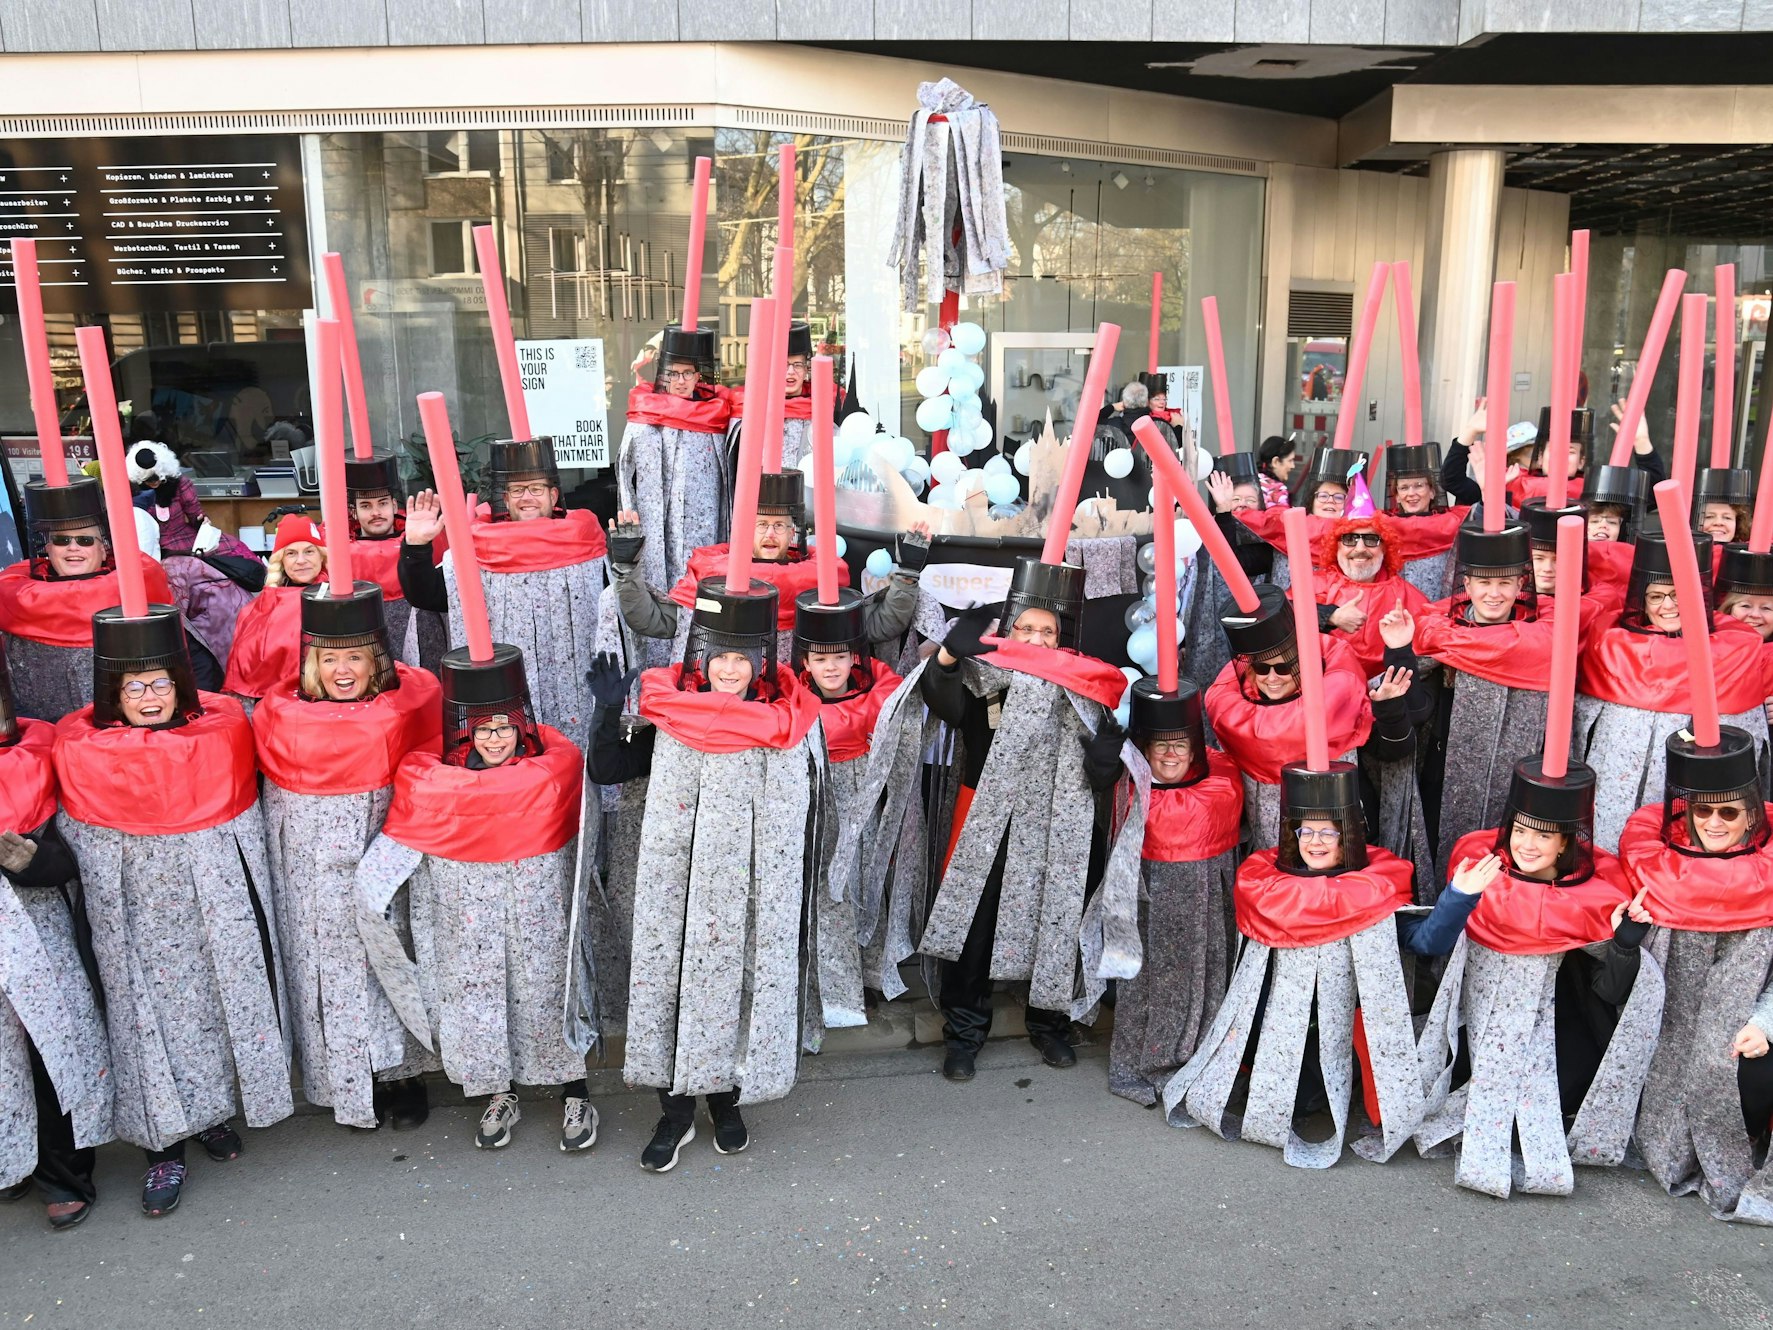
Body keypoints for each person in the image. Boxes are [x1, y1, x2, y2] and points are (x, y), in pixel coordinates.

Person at [56, 603, 291, 1217]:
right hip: (135, 910)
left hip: (208, 893)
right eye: (134, 686)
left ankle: (210, 1110)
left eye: (161, 682)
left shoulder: (217, 730)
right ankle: (164, 1144)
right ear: (114, 695)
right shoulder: (85, 748)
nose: (150, 695)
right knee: (146, 1019)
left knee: (217, 999)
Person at [1163, 761, 1482, 1169]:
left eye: (1327, 832)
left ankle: (1352, 1099)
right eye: (1306, 830)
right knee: (1289, 1101)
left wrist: (1460, 896)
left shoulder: (1370, 892)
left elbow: (1426, 941)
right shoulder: (1272, 888)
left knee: (1336, 1086)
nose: (1314, 841)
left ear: (1347, 836)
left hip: (1350, 1024)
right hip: (1282, 1031)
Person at [605, 576, 822, 1170]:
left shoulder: (786, 720)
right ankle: (675, 1112)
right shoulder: (667, 711)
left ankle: (727, 1098)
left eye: (742, 660)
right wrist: (607, 713)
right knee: (674, 979)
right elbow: (608, 769)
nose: (730, 670)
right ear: (700, 656)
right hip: (676, 882)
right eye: (720, 657)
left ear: (760, 663)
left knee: (736, 980)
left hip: (746, 884)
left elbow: (796, 809)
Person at [358, 642, 595, 1154]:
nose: (493, 738)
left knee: (547, 985)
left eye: (504, 728)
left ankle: (575, 1091)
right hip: (467, 912)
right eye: (483, 729)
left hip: (536, 907)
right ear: (466, 731)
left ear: (521, 729)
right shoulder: (436, 783)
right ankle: (497, 1091)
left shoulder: (553, 772)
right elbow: (404, 837)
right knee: (479, 993)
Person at [1414, 755, 1658, 1197]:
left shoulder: (1595, 896)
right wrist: (1458, 897)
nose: (1526, 844)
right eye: (1520, 831)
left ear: (1565, 843)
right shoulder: (1482, 871)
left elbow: (1611, 992)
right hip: (1480, 1029)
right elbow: (1429, 944)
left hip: (1559, 1026)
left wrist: (1625, 942)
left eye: (1542, 835)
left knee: (1553, 1098)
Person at [251, 576, 442, 1131]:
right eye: (329, 659)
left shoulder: (409, 701)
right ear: (312, 663)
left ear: (374, 662)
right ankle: (348, 1072)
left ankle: (405, 1070)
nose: (342, 670)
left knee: (389, 944)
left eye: (355, 658)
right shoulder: (278, 712)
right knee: (328, 956)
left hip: (382, 841)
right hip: (310, 856)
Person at [1624, 726, 1773, 1223]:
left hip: (1749, 1017)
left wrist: (1765, 1024)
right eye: (1702, 809)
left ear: (1751, 814)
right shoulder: (1659, 865)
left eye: (1728, 811)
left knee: (1739, 1067)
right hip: (1668, 1019)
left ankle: (1745, 1140)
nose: (1713, 821)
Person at [0, 651, 110, 1231]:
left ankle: (62, 1172)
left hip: (32, 916)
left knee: (50, 1044)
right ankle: (9, 1158)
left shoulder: (28, 754)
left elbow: (68, 860)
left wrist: (18, 854)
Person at [1575, 531, 1771, 851]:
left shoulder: (1736, 649)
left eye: (1678, 594)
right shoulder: (1609, 644)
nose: (1668, 605)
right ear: (1642, 599)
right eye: (1656, 596)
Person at [605, 474, 928, 668]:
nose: (770, 534)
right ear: (744, 530)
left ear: (793, 533)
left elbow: (881, 626)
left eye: (779, 526)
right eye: (760, 525)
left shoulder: (821, 579)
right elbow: (650, 620)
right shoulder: (711, 576)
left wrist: (908, 572)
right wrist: (627, 567)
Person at [399, 437, 608, 734]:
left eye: (536, 488)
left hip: (576, 694)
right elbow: (426, 594)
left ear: (553, 495)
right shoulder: (478, 546)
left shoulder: (586, 544)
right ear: (506, 499)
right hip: (503, 705)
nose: (527, 498)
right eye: (517, 490)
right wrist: (416, 546)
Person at [1106, 678, 1243, 1106]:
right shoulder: (1125, 788)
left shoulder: (1220, 780)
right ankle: (1149, 1060)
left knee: (1206, 972)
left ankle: (1201, 1059)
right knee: (1151, 977)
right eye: (1160, 745)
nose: (1169, 754)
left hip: (1205, 890)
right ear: (1144, 751)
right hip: (1150, 893)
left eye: (1180, 745)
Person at [790, 587, 904, 1038]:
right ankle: (835, 984)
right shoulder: (790, 696)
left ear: (853, 658)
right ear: (806, 664)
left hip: (863, 792)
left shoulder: (878, 688)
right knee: (828, 892)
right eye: (820, 659)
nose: (831, 667)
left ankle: (869, 974)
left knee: (868, 881)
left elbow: (894, 704)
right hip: (817, 794)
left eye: (839, 657)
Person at [1414, 522, 1557, 873]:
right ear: (1467, 585)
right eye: (1484, 582)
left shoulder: (1538, 633)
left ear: (1521, 585)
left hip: (1510, 767)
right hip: (1440, 762)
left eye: (1504, 583)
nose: (1494, 594)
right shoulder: (1439, 626)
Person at [1206, 583, 1378, 850]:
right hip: (1271, 842)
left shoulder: (1336, 691)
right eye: (1261, 668)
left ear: (1302, 664)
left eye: (1284, 668)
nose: (1272, 678)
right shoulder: (1235, 713)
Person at [0, 476, 174, 720]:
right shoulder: (16, 598)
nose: (73, 547)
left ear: (103, 550)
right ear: (48, 550)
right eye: (62, 540)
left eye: (84, 540)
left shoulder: (141, 586)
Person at [618, 323, 735, 589]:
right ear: (662, 376)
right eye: (673, 373)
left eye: (687, 373)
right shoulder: (645, 415)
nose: (680, 381)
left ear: (697, 377)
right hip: (660, 523)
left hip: (706, 523)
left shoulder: (716, 415)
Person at [344, 455, 448, 673]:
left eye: (382, 503)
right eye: (365, 505)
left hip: (423, 628)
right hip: (363, 632)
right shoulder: (339, 549)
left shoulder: (425, 534)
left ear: (393, 505)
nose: (375, 513)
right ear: (353, 512)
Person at [223, 513, 329, 712]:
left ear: (321, 555)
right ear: (281, 560)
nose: (301, 561)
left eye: (309, 551)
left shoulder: (338, 599)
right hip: (272, 708)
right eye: (291, 553)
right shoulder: (256, 610)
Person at [1377, 442, 1471, 598]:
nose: (1411, 493)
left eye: (1419, 485)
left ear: (1433, 492)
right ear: (1397, 496)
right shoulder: (1380, 525)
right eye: (1404, 488)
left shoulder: (1454, 522)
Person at [727, 320, 818, 473]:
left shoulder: (822, 405)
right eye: (783, 364)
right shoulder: (749, 406)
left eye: (797, 365)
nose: (790, 372)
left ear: (806, 368)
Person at [1718, 547, 1773, 643]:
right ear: (1728, 610)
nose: (1755, 615)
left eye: (1766, 608)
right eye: (1745, 606)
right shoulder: (1707, 646)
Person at [1694, 466, 1754, 545]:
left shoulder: (1749, 553)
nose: (1718, 523)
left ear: (1738, 524)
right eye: (1708, 517)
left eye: (1727, 518)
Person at [1257, 434, 1297, 509]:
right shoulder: (1278, 490)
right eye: (1290, 460)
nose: (1293, 466)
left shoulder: (1248, 484)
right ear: (1275, 462)